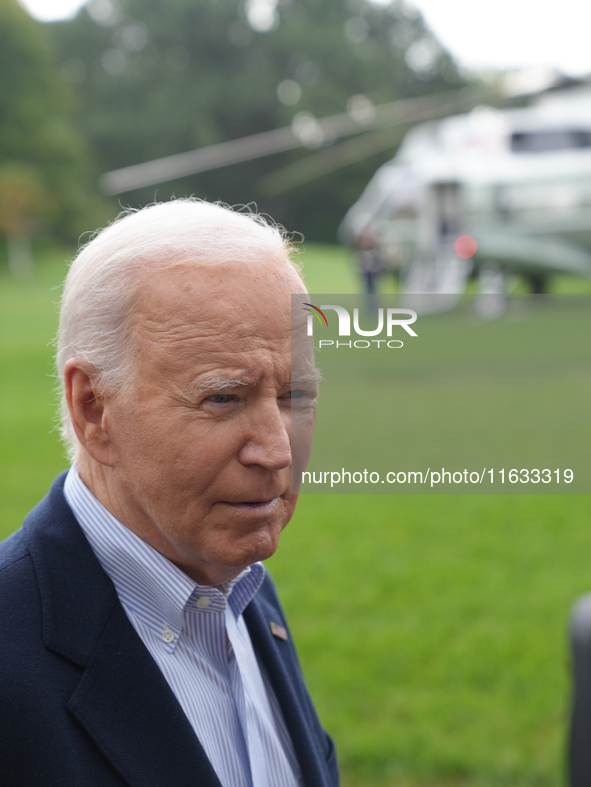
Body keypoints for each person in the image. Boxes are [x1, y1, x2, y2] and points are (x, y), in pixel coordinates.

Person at [0, 199, 337, 786]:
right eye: (224, 398)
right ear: (94, 408)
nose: (278, 451)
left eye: (295, 396)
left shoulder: (242, 589)